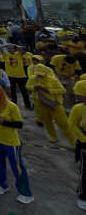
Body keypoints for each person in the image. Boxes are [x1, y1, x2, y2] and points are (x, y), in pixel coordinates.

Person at [0, 83, 34, 204]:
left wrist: (3, 122)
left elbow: (19, 124)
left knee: (17, 166)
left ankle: (25, 193)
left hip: (10, 141)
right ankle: (2, 184)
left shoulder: (11, 106)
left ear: (1, 92)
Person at [26, 63, 75, 146]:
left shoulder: (53, 80)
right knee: (47, 121)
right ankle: (53, 136)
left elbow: (62, 90)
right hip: (40, 104)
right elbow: (27, 86)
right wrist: (34, 87)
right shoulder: (32, 78)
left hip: (54, 104)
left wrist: (48, 91)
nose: (40, 76)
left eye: (41, 74)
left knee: (63, 123)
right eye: (38, 74)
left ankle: (73, 141)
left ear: (46, 72)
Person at [68, 80, 86, 211]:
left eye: (80, 94)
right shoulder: (78, 108)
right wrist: (84, 139)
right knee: (85, 172)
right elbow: (72, 124)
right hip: (84, 144)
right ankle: (83, 196)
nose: (77, 96)